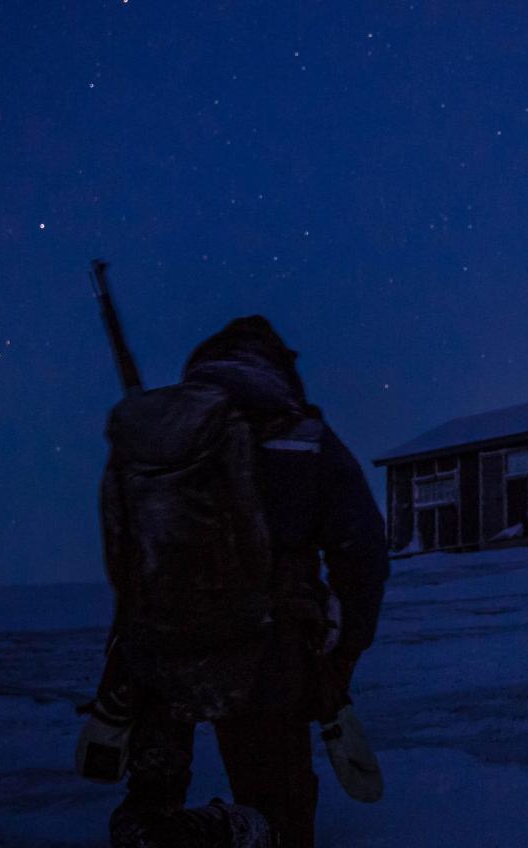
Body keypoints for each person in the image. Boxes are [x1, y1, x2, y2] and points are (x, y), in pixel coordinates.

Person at [103, 317, 389, 848]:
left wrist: (125, 656)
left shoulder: (154, 438)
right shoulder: (301, 437)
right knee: (280, 818)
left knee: (151, 795)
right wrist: (344, 653)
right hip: (264, 656)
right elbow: (363, 549)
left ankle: (152, 827)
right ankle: (218, 833)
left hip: (157, 652)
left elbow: (125, 555)